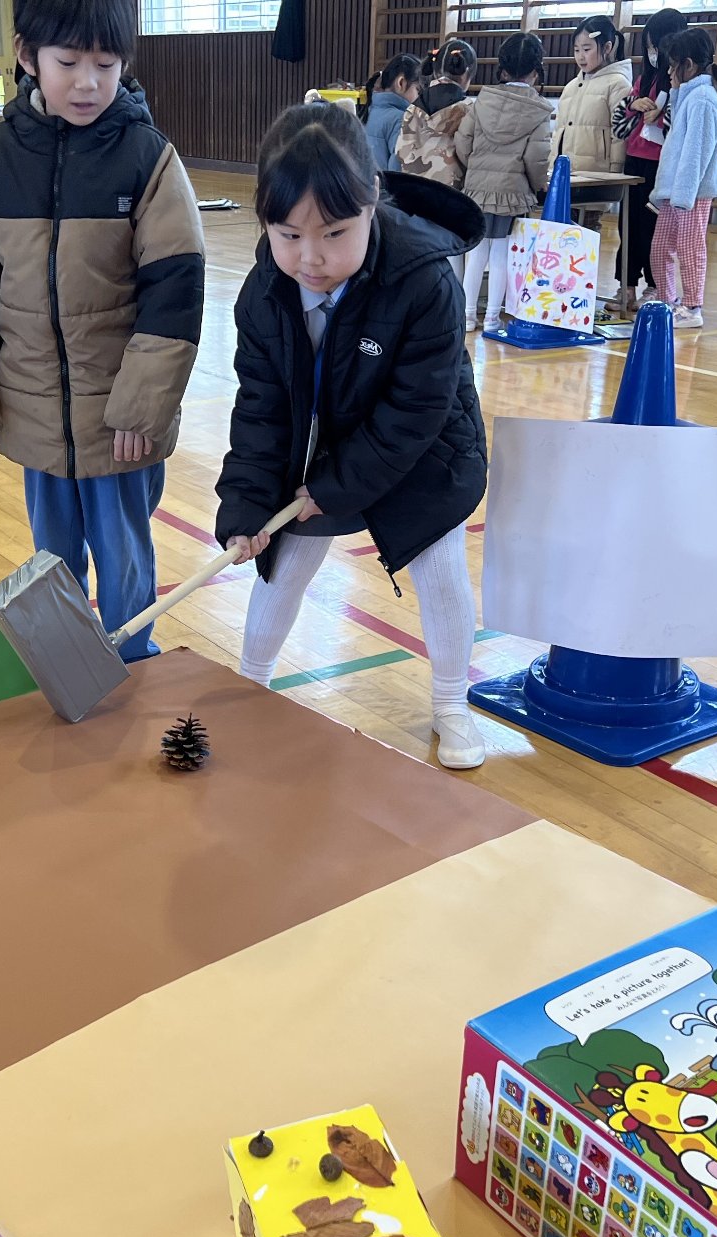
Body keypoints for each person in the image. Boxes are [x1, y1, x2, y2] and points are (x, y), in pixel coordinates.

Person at [0, 0, 204, 662]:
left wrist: (142, 407)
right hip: (34, 411)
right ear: (27, 56)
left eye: (106, 65)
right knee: (52, 559)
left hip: (119, 421)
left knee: (124, 557)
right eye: (69, 62)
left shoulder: (147, 159)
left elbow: (176, 290)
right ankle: (70, 667)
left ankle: (131, 663)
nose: (88, 83)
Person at [216, 104, 490, 770]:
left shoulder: (425, 278)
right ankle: (250, 687)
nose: (310, 257)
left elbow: (416, 410)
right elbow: (261, 410)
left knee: (441, 569)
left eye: (335, 233)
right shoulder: (263, 292)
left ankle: (452, 703)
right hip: (323, 450)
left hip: (426, 451)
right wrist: (247, 506)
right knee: (279, 565)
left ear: (373, 203)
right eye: (288, 234)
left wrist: (334, 488)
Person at [452, 32, 552, 331]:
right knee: (501, 254)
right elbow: (537, 158)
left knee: (476, 254)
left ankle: (467, 315)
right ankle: (493, 318)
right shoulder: (539, 110)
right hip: (512, 193)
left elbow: (463, 142)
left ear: (503, 69)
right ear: (535, 71)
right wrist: (537, 184)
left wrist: (475, 168)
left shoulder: (482, 100)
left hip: (477, 189)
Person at [649, 27, 717, 331]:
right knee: (660, 248)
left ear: (689, 65)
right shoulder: (688, 96)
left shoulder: (704, 100)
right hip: (675, 192)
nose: (668, 72)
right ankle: (667, 302)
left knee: (690, 248)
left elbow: (696, 154)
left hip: (691, 194)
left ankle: (692, 307)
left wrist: (684, 196)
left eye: (672, 65)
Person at [551, 16, 631, 296]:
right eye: (577, 49)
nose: (581, 56)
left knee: (586, 231)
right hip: (565, 176)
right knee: (561, 232)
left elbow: (619, 134)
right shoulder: (571, 86)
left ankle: (579, 293)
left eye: (587, 49)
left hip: (595, 176)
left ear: (607, 47)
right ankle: (559, 291)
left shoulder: (618, 84)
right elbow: (560, 132)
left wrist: (614, 174)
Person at [614, 8, 687, 308]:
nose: (654, 53)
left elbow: (679, 130)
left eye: (657, 46)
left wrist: (662, 115)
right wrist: (635, 106)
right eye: (649, 47)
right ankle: (626, 285)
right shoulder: (643, 80)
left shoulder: (682, 86)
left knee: (655, 229)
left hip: (662, 166)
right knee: (628, 226)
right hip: (634, 161)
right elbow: (619, 126)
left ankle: (656, 286)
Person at [395, 38, 474, 190]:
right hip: (453, 197)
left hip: (413, 193)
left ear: (435, 71)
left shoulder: (412, 109)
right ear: (466, 74)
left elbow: (401, 153)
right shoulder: (470, 111)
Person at [364, 54, 421, 173]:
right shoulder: (401, 120)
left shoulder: (370, 110)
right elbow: (398, 175)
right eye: (418, 90)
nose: (420, 98)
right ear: (401, 83)